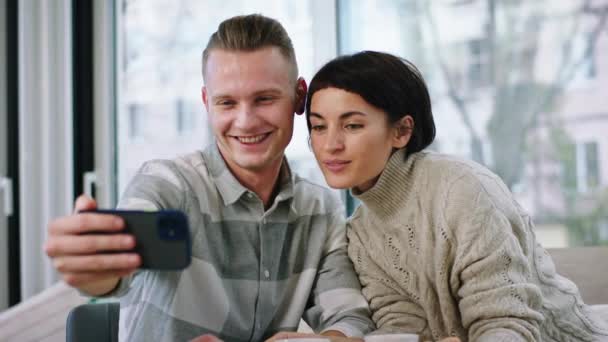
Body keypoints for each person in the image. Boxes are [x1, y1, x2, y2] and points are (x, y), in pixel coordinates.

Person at [44, 14, 374, 342]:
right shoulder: (166, 185)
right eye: (227, 102)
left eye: (264, 99)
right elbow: (117, 275)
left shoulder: (320, 209)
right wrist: (95, 271)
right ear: (207, 103)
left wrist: (326, 341)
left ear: (299, 96)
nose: (245, 121)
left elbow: (349, 317)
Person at [305, 50, 608, 341]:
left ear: (401, 131)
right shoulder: (359, 234)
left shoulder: (461, 190)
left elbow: (507, 322)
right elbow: (400, 326)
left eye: (352, 125)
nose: (330, 144)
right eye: (318, 126)